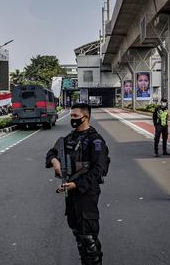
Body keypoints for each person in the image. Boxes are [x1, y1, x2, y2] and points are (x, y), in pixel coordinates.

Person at [46, 103, 108, 265]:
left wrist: (76, 185)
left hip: (87, 192)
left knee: (88, 237)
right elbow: (52, 152)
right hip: (71, 192)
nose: (72, 119)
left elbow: (98, 170)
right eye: (71, 116)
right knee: (78, 234)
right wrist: (54, 161)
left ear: (85, 117)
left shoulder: (95, 141)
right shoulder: (70, 138)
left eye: (75, 116)